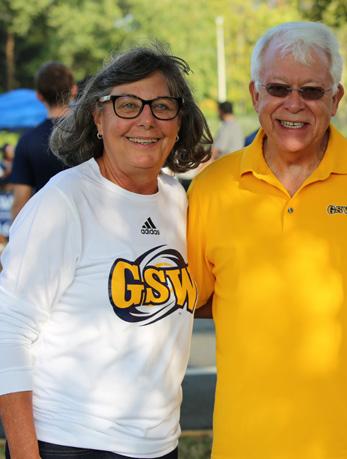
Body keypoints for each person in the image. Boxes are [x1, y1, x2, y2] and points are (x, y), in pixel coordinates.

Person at [188, 22, 347, 458]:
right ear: (255, 94)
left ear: (336, 99)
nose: (294, 104)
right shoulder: (213, 188)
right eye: (278, 88)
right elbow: (193, 298)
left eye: (311, 91)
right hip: (247, 445)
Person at [0, 45, 212, 458]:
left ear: (179, 120)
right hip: (72, 442)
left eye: (162, 106)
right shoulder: (64, 202)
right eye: (127, 105)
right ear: (98, 117)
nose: (146, 120)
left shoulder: (176, 199)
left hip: (159, 443)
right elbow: (8, 332)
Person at [9, 62, 76, 219]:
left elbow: (20, 202)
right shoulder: (93, 134)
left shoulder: (27, 141)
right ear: (74, 90)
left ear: (39, 96)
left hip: (47, 225)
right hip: (89, 225)